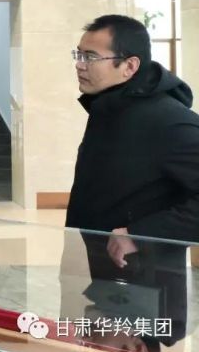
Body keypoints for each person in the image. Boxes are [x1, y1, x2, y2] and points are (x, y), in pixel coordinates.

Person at [66, 14, 199, 260]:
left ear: (129, 66)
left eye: (91, 57)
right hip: (97, 270)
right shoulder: (107, 108)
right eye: (79, 55)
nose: (79, 65)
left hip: (145, 276)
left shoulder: (168, 121)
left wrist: (141, 234)